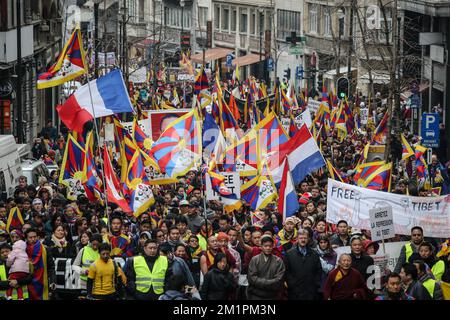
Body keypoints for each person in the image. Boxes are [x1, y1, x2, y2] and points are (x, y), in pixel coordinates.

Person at [284, 229, 322, 300]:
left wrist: (315, 284)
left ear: (308, 239)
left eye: (305, 238)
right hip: (295, 291)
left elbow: (319, 270)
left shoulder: (314, 253)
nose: (303, 240)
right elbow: (286, 271)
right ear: (297, 239)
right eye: (301, 238)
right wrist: (291, 284)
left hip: (311, 290)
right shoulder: (289, 254)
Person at [247, 235, 285, 300]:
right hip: (256, 295)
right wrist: (269, 282)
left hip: (272, 295)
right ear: (261, 246)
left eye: (270, 246)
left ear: (273, 246)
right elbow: (251, 278)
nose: (268, 248)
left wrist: (263, 283)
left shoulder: (278, 261)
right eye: (265, 246)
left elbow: (279, 280)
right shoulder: (255, 259)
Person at [25, 228, 56, 300]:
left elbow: (51, 267)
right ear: (26, 239)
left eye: (35, 237)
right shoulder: (23, 250)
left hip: (42, 283)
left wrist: (53, 280)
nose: (33, 239)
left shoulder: (45, 249)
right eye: (30, 237)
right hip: (27, 283)